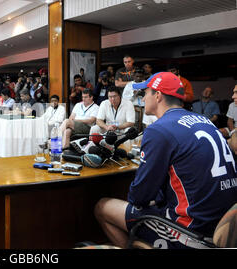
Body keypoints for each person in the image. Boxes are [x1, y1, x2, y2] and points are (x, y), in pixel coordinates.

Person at [95, 72, 237, 249]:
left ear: (158, 95)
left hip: (190, 233)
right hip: (223, 227)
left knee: (102, 207)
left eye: (145, 93)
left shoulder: (158, 130)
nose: (143, 98)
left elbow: (139, 197)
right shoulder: (205, 121)